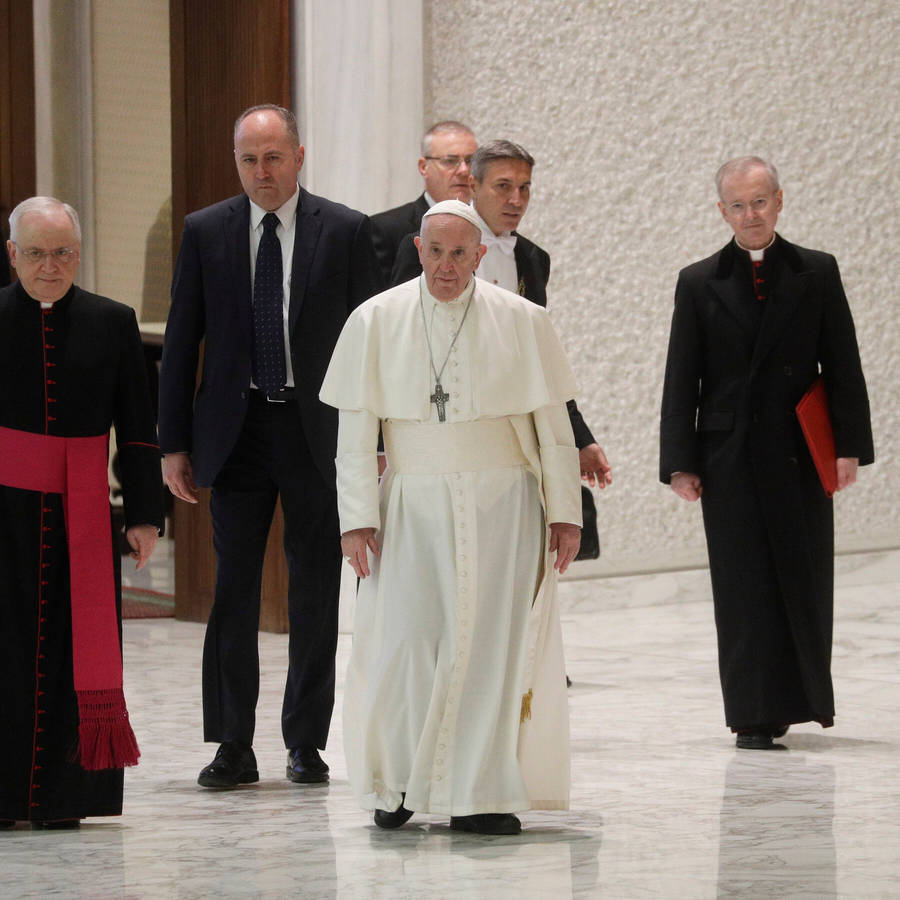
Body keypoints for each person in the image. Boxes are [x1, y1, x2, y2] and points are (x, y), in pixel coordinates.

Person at [320, 200, 582, 835]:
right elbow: (354, 434)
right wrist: (355, 519)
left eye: (459, 253)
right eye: (434, 251)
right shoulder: (374, 319)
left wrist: (565, 513)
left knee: (491, 646)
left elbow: (553, 428)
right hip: (411, 503)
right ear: (417, 248)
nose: (445, 265)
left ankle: (479, 793)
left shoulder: (523, 320)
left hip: (504, 505)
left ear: (480, 255)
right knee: (406, 642)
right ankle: (398, 784)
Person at [158, 104, 382, 788]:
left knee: (315, 589)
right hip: (237, 431)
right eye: (250, 159)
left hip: (317, 432)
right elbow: (181, 340)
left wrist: (376, 439)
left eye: (274, 157)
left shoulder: (344, 231)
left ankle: (306, 743)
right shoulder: (205, 231)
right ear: (238, 163)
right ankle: (233, 745)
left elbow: (372, 345)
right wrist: (172, 443)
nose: (262, 171)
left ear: (299, 157)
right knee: (233, 590)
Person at [659, 157, 874, 749]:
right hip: (727, 457)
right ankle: (752, 714)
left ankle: (800, 701)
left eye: (759, 202)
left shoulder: (817, 271)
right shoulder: (698, 281)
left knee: (803, 576)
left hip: (800, 451)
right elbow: (682, 377)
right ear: (721, 211)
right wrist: (679, 460)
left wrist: (849, 447)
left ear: (779, 200)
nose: (750, 214)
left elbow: (843, 362)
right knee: (742, 584)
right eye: (737, 205)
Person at [0, 197, 162, 828]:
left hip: (84, 514)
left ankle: (66, 797)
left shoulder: (112, 321)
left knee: (75, 650)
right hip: (5, 513)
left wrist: (144, 514)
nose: (50, 266)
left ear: (79, 253)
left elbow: (137, 426)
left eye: (63, 253)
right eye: (36, 253)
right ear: (12, 254)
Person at [393, 140, 612, 490]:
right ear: (473, 185)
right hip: (441, 427)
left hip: (512, 433)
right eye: (504, 186)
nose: (516, 200)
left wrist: (580, 437)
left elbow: (542, 353)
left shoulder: (533, 259)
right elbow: (400, 342)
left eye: (525, 188)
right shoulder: (424, 246)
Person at [369, 120, 477, 285]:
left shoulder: (487, 229)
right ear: (423, 167)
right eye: (450, 161)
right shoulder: (385, 229)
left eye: (471, 161)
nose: (464, 170)